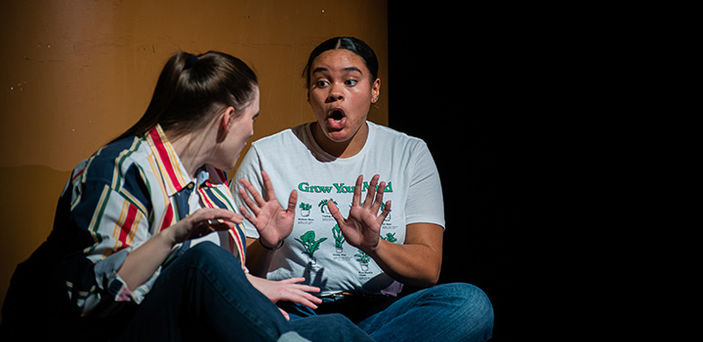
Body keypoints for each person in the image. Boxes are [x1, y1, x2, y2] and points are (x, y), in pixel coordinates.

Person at [0, 51, 374, 342]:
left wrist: (261, 264)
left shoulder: (212, 180)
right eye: (252, 118)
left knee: (337, 330)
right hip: (115, 331)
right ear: (227, 119)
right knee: (202, 260)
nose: (252, 132)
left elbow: (220, 283)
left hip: (195, 327)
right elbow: (89, 296)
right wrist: (173, 237)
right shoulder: (120, 169)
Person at [231, 37, 494, 341]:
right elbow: (237, 276)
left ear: (375, 90)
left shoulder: (408, 153)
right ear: (310, 94)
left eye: (351, 81)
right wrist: (267, 244)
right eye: (321, 83)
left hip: (381, 313)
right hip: (298, 311)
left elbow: (428, 268)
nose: (335, 93)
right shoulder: (268, 155)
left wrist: (374, 245)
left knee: (470, 305)